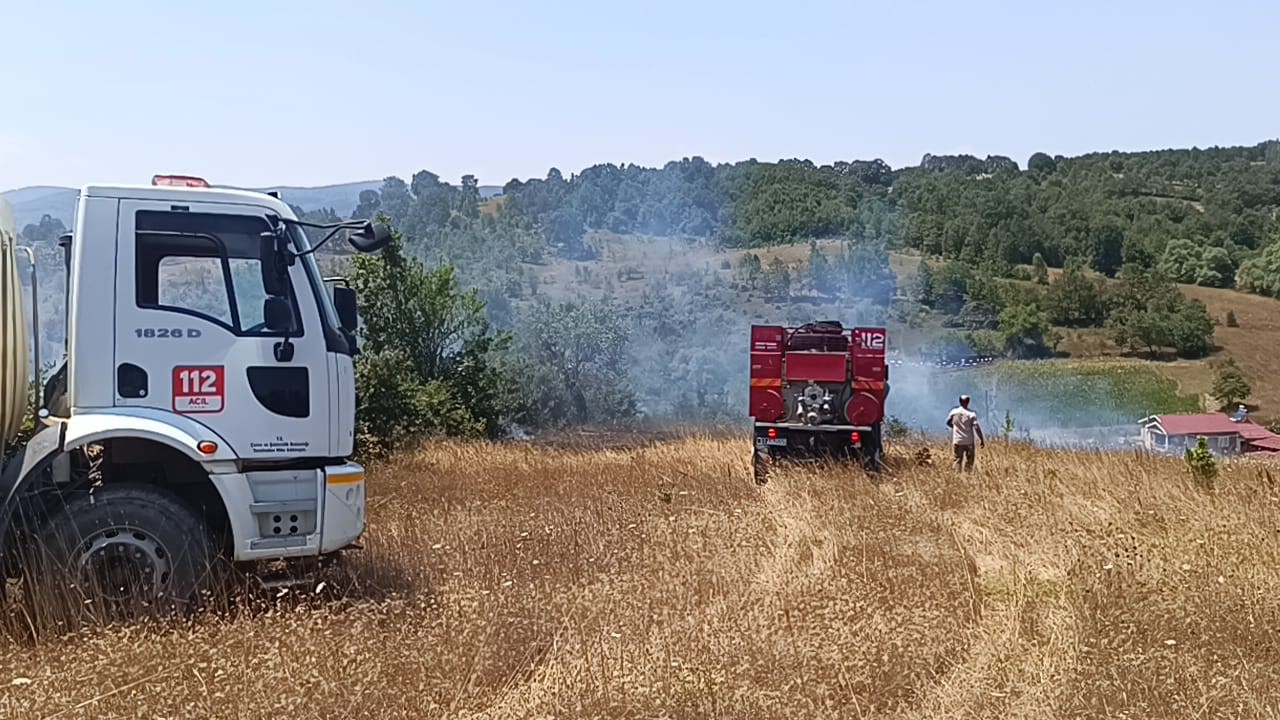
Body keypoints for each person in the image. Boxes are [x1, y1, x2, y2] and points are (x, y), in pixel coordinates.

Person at [946, 394, 984, 472]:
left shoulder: (954, 412)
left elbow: (948, 422)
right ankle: (968, 476)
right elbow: (976, 427)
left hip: (957, 441)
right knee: (969, 461)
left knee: (957, 460)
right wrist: (981, 439)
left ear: (960, 402)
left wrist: (955, 427)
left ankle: (958, 477)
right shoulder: (971, 414)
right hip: (969, 441)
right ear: (968, 402)